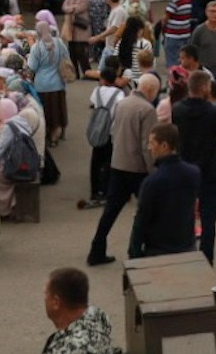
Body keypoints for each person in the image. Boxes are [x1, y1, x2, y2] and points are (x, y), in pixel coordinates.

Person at [87, 73, 159, 266]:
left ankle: (96, 250)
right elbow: (147, 145)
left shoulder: (122, 104)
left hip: (118, 164)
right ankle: (140, 250)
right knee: (147, 211)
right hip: (137, 168)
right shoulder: (147, 110)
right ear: (151, 90)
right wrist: (153, 170)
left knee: (110, 211)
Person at [174, 70, 216, 263]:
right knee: (208, 221)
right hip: (208, 172)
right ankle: (206, 260)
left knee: (183, 217)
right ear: (205, 88)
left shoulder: (177, 110)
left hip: (183, 170)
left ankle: (184, 256)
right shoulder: (215, 114)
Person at [134, 123, 200, 258]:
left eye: (152, 143)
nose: (149, 148)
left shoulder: (152, 182)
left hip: (158, 250)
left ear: (164, 146)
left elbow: (141, 220)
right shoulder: (194, 173)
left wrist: (134, 253)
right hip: (187, 246)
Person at [81, 65, 124, 208]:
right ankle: (105, 191)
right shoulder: (119, 94)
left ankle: (94, 191)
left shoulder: (97, 91)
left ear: (103, 79)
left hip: (97, 130)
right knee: (108, 161)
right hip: (111, 131)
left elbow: (93, 103)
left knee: (96, 160)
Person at [26, 17, 73, 147]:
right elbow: (66, 57)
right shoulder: (59, 43)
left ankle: (46, 134)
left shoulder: (36, 47)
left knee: (46, 111)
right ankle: (55, 135)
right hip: (58, 83)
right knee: (57, 111)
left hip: (41, 85)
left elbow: (32, 66)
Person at [185, 1, 216, 95]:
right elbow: (192, 48)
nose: (214, 14)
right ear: (206, 12)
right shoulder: (199, 30)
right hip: (203, 71)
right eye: (212, 11)